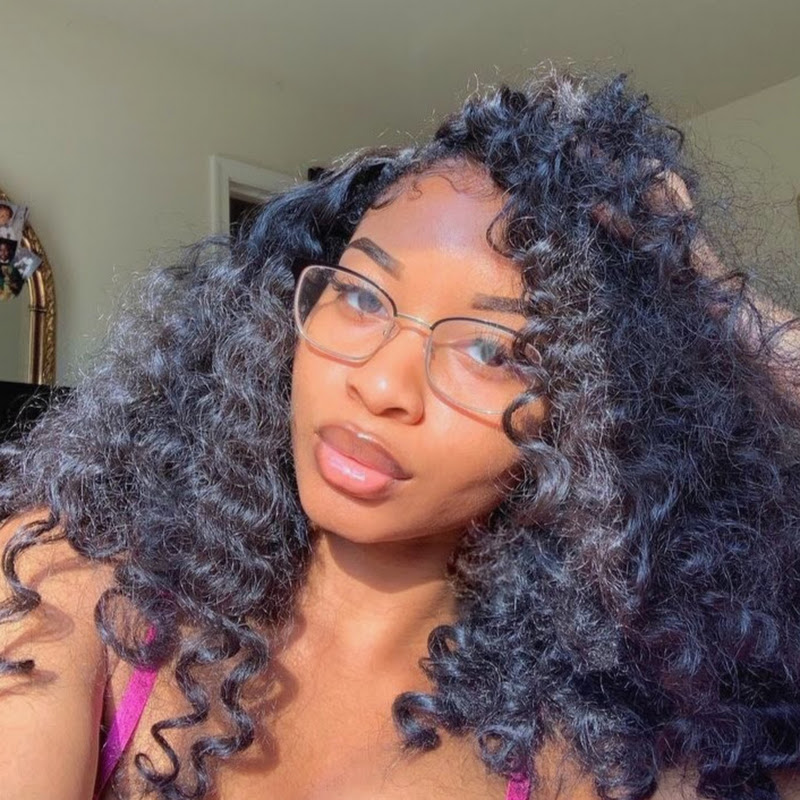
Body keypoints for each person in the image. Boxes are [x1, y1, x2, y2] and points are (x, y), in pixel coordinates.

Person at [1, 70, 800, 800]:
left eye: (491, 352)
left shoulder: (592, 763)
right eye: (361, 296)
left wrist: (708, 296)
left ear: (582, 425)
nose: (381, 386)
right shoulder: (69, 588)